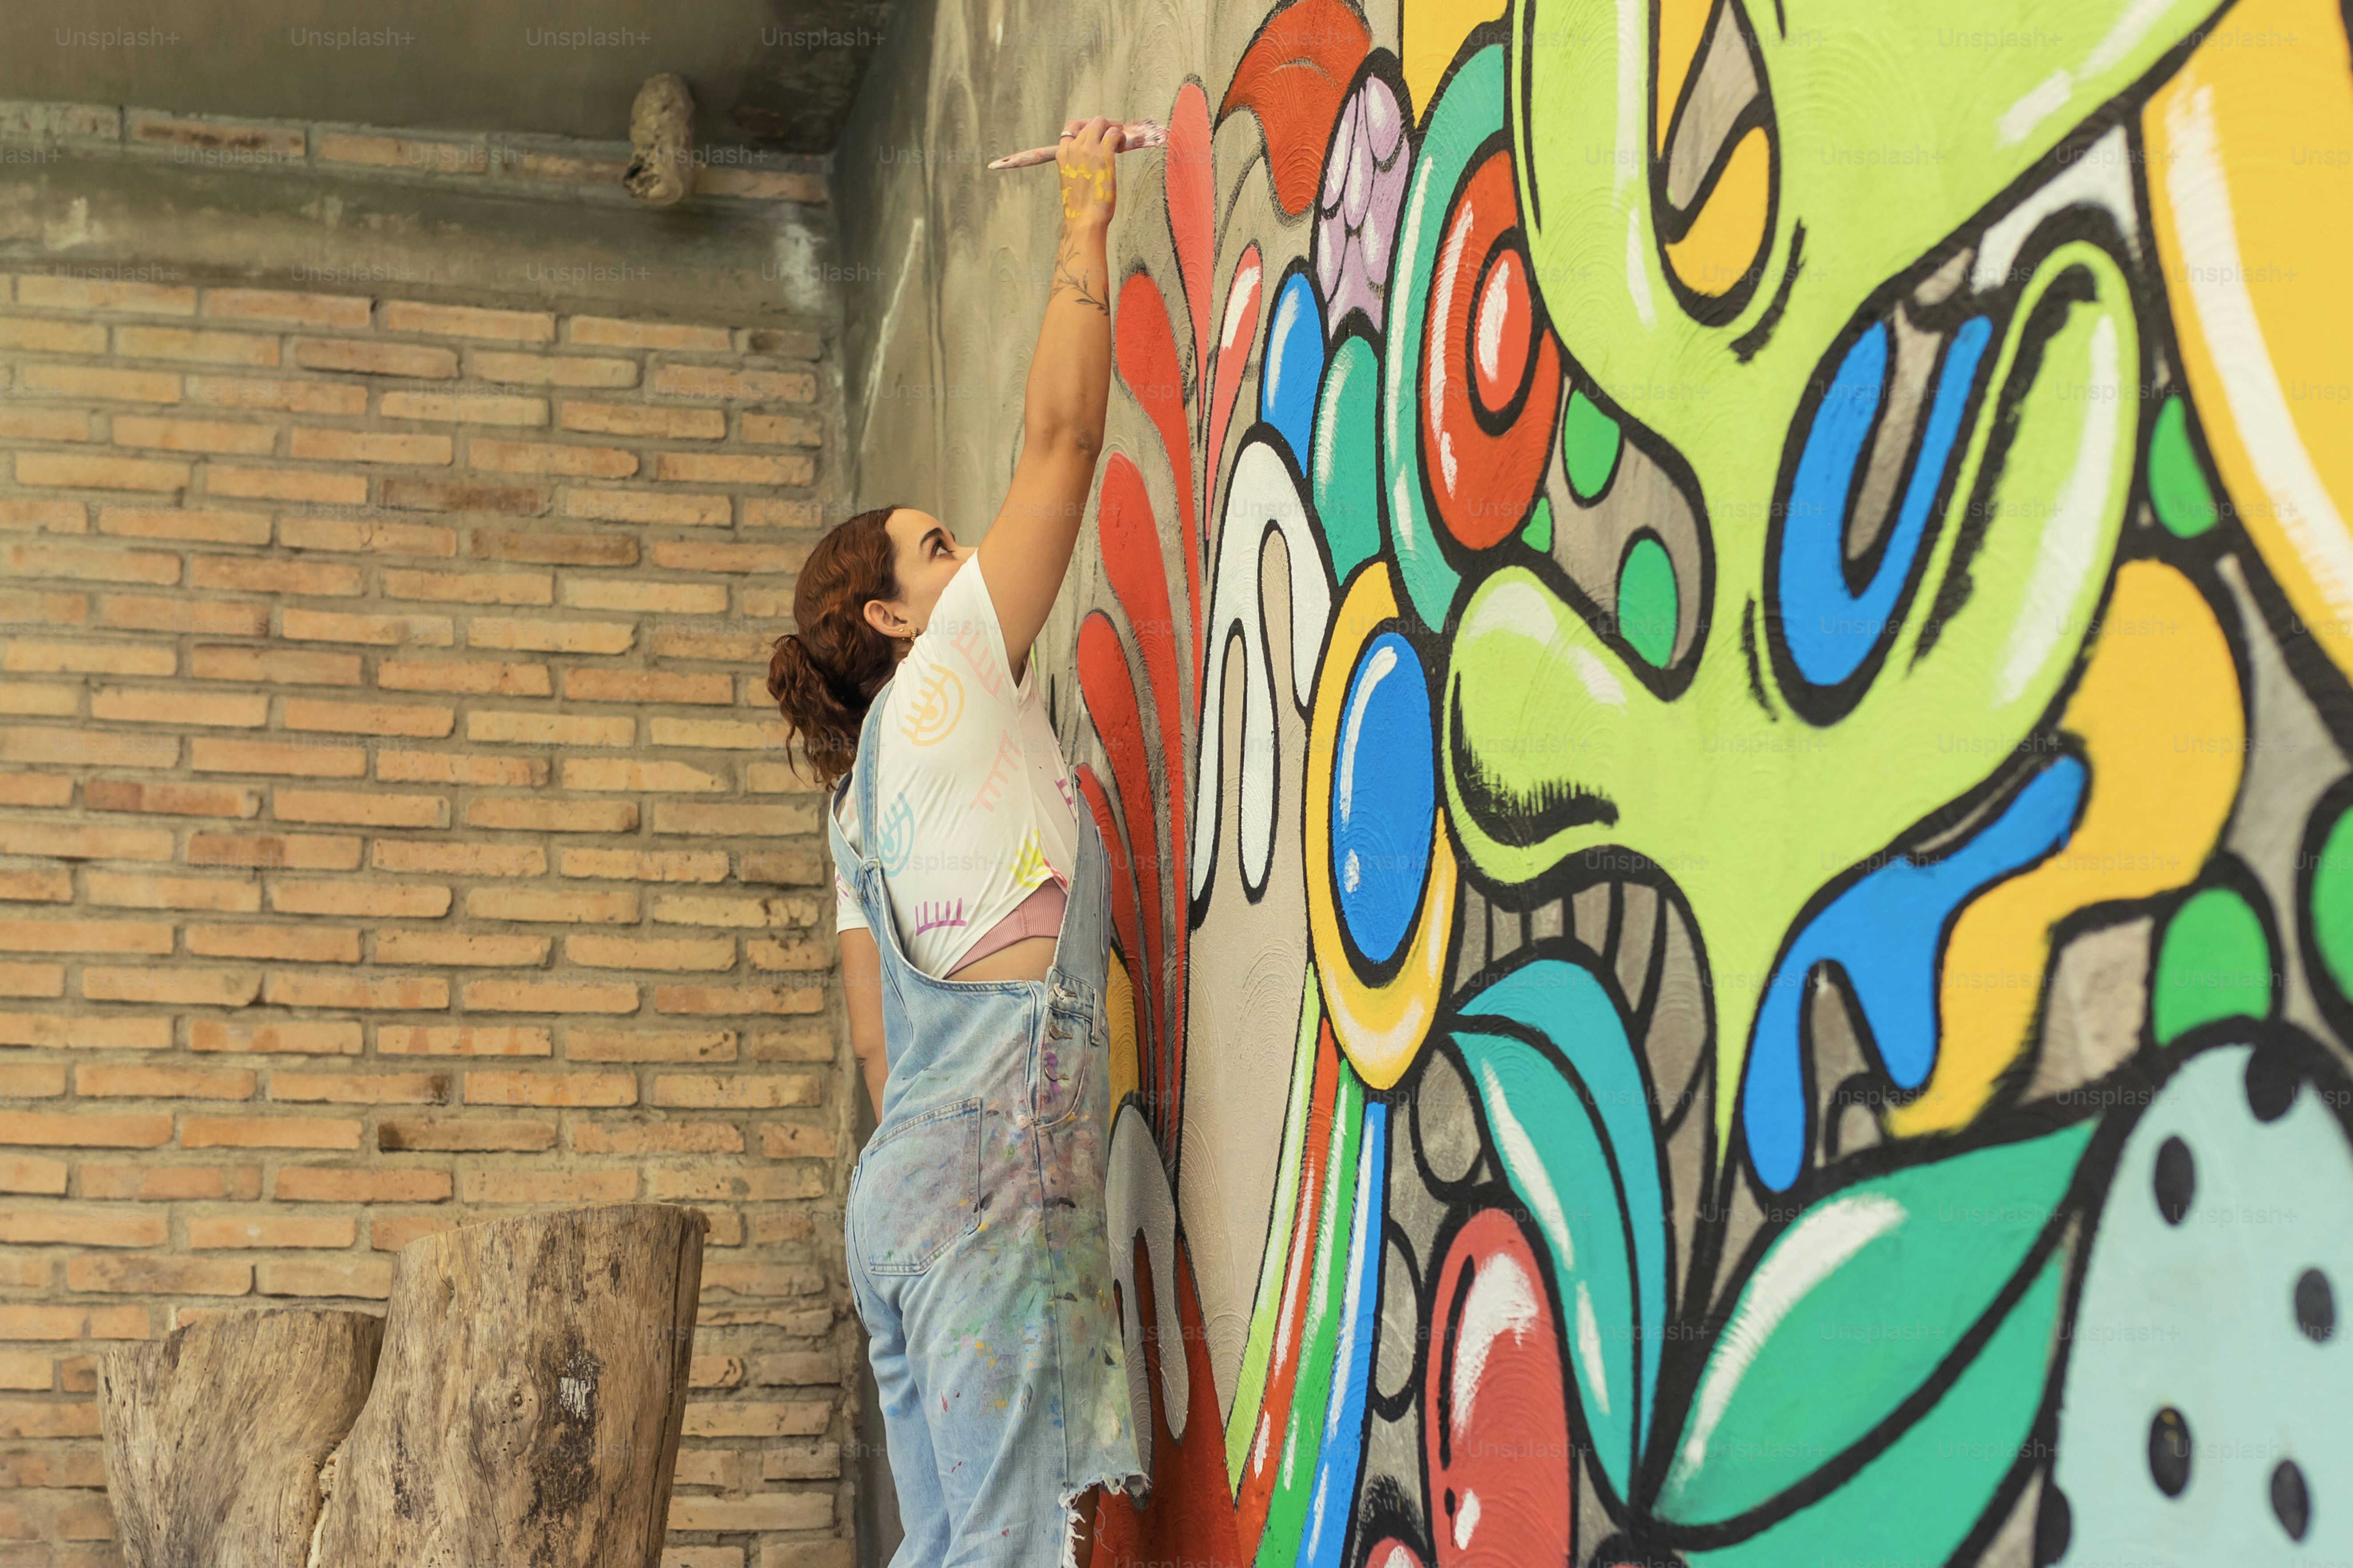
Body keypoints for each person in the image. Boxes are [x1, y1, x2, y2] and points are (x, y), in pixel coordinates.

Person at [766, 117, 1145, 1568]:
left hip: (901, 1199)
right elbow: (1060, 441)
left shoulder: (856, 807)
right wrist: (1084, 214)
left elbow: (878, 1049)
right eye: (936, 552)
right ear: (889, 621)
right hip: (987, 1166)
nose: (964, 560)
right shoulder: (942, 677)